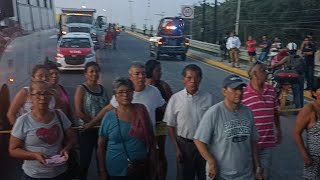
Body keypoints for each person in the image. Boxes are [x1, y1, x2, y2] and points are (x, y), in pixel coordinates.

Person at [194, 74, 263, 180]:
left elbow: (253, 142)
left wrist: (257, 167)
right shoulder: (214, 112)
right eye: (234, 89)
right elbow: (198, 140)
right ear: (224, 91)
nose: (239, 93)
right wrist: (211, 161)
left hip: (246, 175)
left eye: (240, 89)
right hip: (222, 175)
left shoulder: (247, 112)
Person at [9, 80, 76, 180]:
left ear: (51, 96)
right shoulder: (23, 121)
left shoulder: (59, 115)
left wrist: (66, 149)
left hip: (60, 173)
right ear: (31, 97)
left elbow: (73, 138)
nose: (42, 97)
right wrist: (34, 155)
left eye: (46, 93)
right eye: (38, 94)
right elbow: (13, 150)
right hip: (34, 175)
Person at [97, 77, 155, 180]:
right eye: (121, 92)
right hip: (115, 169)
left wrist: (153, 166)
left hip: (140, 168)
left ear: (133, 93)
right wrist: (102, 171)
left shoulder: (141, 111)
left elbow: (151, 140)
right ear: (115, 95)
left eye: (128, 91)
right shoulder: (109, 117)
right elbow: (101, 146)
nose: (125, 95)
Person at [163, 64, 214, 180]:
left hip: (204, 144)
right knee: (184, 176)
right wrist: (177, 148)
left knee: (205, 175)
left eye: (196, 78)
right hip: (184, 145)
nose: (193, 81)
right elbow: (170, 125)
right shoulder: (176, 99)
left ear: (200, 79)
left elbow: (213, 124)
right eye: (189, 78)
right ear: (183, 79)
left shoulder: (208, 98)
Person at [242, 64, 282, 179]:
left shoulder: (272, 90)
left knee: (263, 175)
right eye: (263, 71)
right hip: (248, 145)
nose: (266, 73)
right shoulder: (243, 93)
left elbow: (275, 112)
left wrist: (279, 130)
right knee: (249, 174)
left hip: (267, 142)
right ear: (254, 74)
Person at [74, 62, 109, 180]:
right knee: (85, 161)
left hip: (102, 131)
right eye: (91, 71)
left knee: (103, 161)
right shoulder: (81, 89)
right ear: (85, 74)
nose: (94, 74)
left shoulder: (102, 89)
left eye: (96, 71)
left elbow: (107, 108)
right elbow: (79, 112)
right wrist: (94, 123)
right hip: (87, 130)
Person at [145, 60, 173, 180]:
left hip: (160, 123)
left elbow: (172, 105)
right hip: (145, 124)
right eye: (158, 70)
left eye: (160, 70)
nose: (160, 73)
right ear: (150, 71)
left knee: (160, 152)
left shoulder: (163, 86)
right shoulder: (143, 86)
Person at [293, 78, 320, 180]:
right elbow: (296, 133)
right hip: (315, 160)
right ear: (314, 92)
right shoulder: (309, 110)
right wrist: (304, 154)